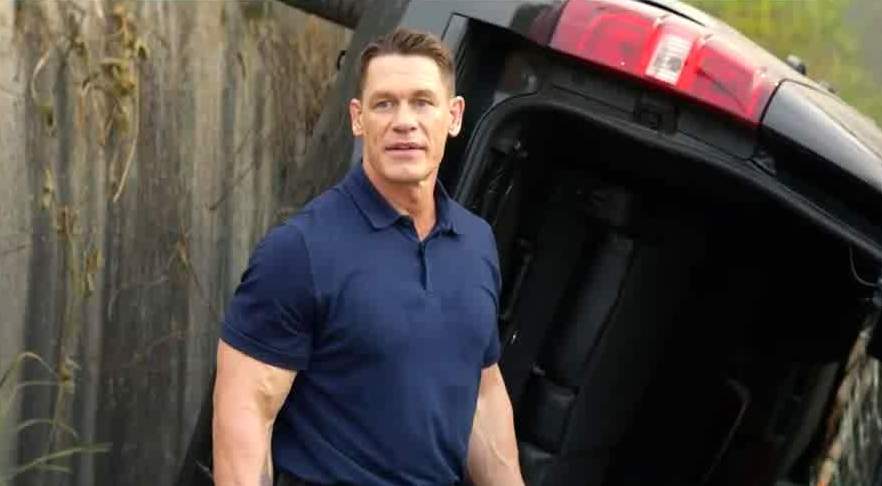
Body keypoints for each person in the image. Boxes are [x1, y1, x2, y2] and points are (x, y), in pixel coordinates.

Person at [212, 27, 524, 486]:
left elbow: (482, 395)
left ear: (454, 116)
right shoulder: (301, 250)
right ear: (358, 119)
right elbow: (245, 418)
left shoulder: (476, 244)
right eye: (384, 104)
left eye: (422, 102)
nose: (404, 122)